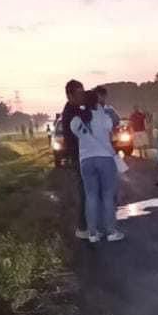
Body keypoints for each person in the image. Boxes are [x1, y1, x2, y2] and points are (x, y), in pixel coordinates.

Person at [70, 89, 125, 244]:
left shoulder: (76, 119)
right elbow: (113, 123)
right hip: (105, 158)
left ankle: (93, 233)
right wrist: (105, 108)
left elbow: (76, 132)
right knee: (107, 196)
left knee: (91, 196)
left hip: (86, 160)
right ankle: (111, 232)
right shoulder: (102, 115)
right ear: (96, 101)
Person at [60, 80, 89, 239]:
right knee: (84, 192)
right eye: (79, 93)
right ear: (70, 95)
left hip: (82, 156)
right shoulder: (71, 112)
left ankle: (87, 224)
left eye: (83, 93)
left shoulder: (75, 108)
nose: (82, 96)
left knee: (87, 191)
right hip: (79, 157)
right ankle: (82, 227)